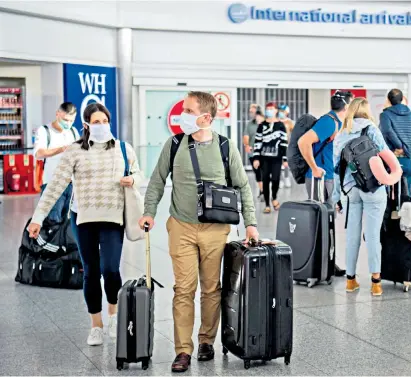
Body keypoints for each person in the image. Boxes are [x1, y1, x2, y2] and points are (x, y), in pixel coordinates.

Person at [139, 91, 258, 373]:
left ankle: (206, 340)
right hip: (180, 225)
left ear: (205, 117)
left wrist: (250, 222)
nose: (183, 115)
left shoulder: (226, 147)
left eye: (189, 111)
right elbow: (157, 180)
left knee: (210, 288)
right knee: (184, 288)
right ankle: (183, 350)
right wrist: (149, 212)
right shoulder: (175, 143)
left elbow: (242, 186)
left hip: (215, 229)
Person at [28, 102, 142, 347]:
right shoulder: (75, 150)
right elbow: (56, 185)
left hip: (113, 217)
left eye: (105, 121)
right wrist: (38, 217)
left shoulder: (123, 148)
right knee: (90, 271)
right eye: (96, 121)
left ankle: (113, 314)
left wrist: (132, 178)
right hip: (83, 218)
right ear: (87, 124)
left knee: (111, 269)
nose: (101, 126)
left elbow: (139, 173)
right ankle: (96, 325)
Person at [333, 97, 389, 296]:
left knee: (352, 236)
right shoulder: (371, 129)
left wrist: (336, 197)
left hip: (350, 190)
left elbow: (335, 170)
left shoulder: (341, 134)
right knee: (373, 235)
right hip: (373, 187)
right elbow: (385, 154)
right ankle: (376, 283)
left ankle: (351, 280)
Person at [298, 91, 353, 203]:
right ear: (347, 106)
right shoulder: (329, 122)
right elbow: (303, 142)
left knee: (329, 216)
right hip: (321, 177)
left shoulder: (339, 122)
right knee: (319, 217)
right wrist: (314, 168)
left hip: (331, 176)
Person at [34, 102, 79, 223]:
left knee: (70, 226)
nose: (68, 124)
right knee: (52, 223)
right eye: (65, 120)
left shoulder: (73, 132)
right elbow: (39, 153)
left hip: (71, 185)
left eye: (71, 121)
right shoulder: (44, 131)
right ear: (57, 114)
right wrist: (62, 149)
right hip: (52, 184)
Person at [380, 88, 411, 191]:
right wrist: (407, 148)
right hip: (407, 160)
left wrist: (399, 146)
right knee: (407, 194)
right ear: (402, 99)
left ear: (388, 100)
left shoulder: (385, 115)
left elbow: (387, 131)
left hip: (391, 160)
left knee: (389, 195)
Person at [253, 102, 288, 213]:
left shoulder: (281, 125)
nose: (269, 110)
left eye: (271, 109)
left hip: (276, 158)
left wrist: (285, 158)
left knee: (276, 179)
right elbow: (257, 142)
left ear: (276, 110)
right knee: (265, 180)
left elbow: (284, 142)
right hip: (264, 158)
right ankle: (267, 204)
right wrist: (256, 158)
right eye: (267, 109)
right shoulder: (261, 125)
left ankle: (274, 197)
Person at [243, 104, 263, 199]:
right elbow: (246, 136)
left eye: (252, 111)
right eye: (250, 112)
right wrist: (246, 145)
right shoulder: (250, 124)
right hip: (253, 152)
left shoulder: (267, 123)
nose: (251, 113)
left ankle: (264, 191)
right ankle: (262, 191)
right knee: (257, 172)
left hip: (265, 153)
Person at [278, 104, 294, 188]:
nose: (281, 113)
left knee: (286, 163)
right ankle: (279, 180)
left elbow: (294, 133)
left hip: (286, 146)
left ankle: (287, 178)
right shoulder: (276, 121)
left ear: (287, 112)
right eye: (280, 111)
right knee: (277, 163)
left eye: (283, 111)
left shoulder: (289, 122)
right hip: (277, 146)